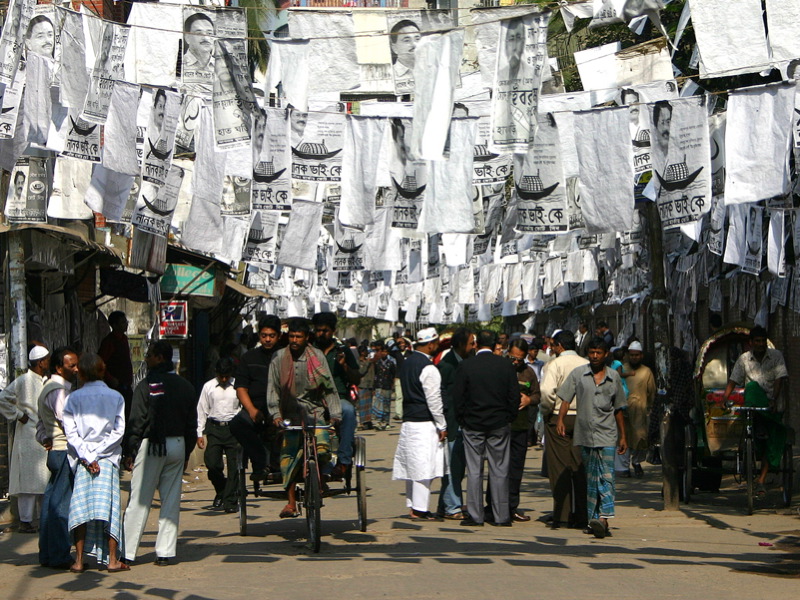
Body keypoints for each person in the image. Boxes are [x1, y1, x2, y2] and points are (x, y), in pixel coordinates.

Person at [122, 341, 197, 566]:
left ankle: (127, 552)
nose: (146, 359)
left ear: (160, 358)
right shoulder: (186, 386)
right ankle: (165, 553)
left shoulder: (146, 386)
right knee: (171, 499)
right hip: (178, 444)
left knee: (140, 500)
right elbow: (191, 424)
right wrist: (185, 453)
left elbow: (137, 421)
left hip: (152, 445)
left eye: (150, 356)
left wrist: (130, 450)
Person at [266, 319, 340, 520]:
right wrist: (276, 415)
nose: (294, 340)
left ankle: (320, 478)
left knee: (323, 450)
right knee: (286, 459)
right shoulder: (279, 358)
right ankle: (291, 503)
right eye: (291, 336)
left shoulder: (316, 357)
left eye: (298, 337)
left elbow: (329, 387)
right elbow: (272, 389)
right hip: (290, 416)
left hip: (315, 412)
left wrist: (334, 414)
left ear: (307, 338)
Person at [556, 337, 627, 539]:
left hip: (607, 435)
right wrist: (560, 419)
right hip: (585, 434)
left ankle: (604, 517)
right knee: (591, 477)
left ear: (606, 355)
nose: (595, 356)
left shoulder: (614, 377)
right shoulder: (578, 374)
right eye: (592, 352)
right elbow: (565, 398)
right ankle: (593, 520)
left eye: (599, 353)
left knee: (606, 476)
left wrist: (623, 437)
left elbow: (619, 409)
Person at [63, 353, 127, 573]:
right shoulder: (116, 397)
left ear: (80, 373)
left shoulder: (73, 398)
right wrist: (99, 454)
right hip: (107, 460)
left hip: (83, 461)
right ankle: (112, 560)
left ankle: (79, 560)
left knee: (81, 510)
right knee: (109, 509)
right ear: (102, 370)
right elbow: (119, 431)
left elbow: (70, 433)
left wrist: (87, 456)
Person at [453, 330, 519, 527]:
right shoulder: (505, 365)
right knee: (500, 470)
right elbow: (513, 395)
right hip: (499, 423)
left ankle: (475, 515)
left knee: (474, 470)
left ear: (476, 344)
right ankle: (501, 516)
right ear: (494, 344)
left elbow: (458, 397)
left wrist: (462, 420)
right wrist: (509, 418)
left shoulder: (466, 366)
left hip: (473, 424)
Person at [722, 326, 789, 496]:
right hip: (752, 406)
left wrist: (773, 399)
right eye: (757, 341)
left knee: (771, 444)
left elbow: (780, 379)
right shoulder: (744, 359)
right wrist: (725, 398)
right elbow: (733, 380)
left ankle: (761, 480)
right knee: (751, 387)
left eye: (763, 341)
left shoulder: (776, 356)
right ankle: (757, 429)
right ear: (751, 343)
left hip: (771, 405)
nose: (760, 344)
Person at [392, 328, 447, 520]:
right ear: (431, 344)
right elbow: (434, 400)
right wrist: (442, 424)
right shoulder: (428, 368)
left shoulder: (407, 363)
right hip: (424, 423)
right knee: (424, 468)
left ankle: (414, 505)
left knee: (413, 467)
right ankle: (420, 508)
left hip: (409, 422)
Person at [484, 338, 540, 522]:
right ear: (507, 352)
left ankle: (511, 506)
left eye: (520, 360)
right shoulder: (498, 368)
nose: (516, 363)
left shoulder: (529, 373)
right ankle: (491, 506)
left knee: (515, 469)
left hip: (520, 428)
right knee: (497, 467)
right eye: (513, 358)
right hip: (499, 427)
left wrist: (529, 400)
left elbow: (538, 395)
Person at [539, 330, 589, 529]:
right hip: (583, 417)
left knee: (560, 466)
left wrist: (547, 411)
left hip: (559, 416)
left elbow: (546, 391)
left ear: (559, 345)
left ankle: (563, 515)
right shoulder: (586, 363)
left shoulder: (555, 364)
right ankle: (583, 513)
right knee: (580, 466)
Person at [36, 347, 79, 569]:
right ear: (58, 367)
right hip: (63, 450)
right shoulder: (59, 390)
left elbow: (40, 424)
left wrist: (45, 438)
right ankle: (60, 554)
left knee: (51, 503)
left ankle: (48, 553)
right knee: (61, 504)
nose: (76, 369)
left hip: (56, 449)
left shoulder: (47, 387)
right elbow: (67, 422)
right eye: (71, 366)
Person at [0, 344, 51, 533]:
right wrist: (18, 414)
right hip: (28, 434)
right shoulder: (23, 381)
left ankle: (43, 519)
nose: (49, 362)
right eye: (46, 359)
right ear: (40, 362)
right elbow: (3, 398)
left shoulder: (47, 381)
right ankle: (26, 521)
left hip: (43, 433)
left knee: (44, 479)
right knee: (28, 484)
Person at [230, 316, 281, 483]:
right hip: (257, 408)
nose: (267, 339)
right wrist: (251, 410)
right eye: (264, 335)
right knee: (237, 423)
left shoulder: (286, 357)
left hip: (282, 410)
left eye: (272, 336)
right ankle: (260, 461)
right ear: (259, 335)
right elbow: (241, 388)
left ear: (278, 336)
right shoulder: (249, 358)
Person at [312, 312, 360, 480]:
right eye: (318, 330)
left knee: (348, 411)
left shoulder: (343, 351)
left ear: (333, 331)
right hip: (313, 399)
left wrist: (344, 366)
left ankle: (344, 461)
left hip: (337, 398)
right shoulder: (309, 349)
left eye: (325, 331)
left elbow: (356, 378)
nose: (321, 334)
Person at [436, 327, 475, 520]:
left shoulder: (468, 361)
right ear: (460, 345)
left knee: (458, 466)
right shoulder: (446, 366)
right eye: (471, 343)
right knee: (452, 467)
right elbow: (441, 396)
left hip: (464, 421)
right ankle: (452, 507)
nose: (473, 346)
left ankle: (446, 505)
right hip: (451, 423)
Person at [197, 357, 240, 513]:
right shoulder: (208, 387)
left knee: (235, 467)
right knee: (212, 463)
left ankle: (230, 501)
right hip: (214, 429)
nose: (223, 379)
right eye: (221, 376)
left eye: (226, 376)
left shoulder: (238, 386)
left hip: (233, 429)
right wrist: (199, 433)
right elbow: (202, 409)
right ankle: (222, 490)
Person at [621, 341, 655, 478]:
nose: (634, 357)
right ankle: (624, 468)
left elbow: (652, 391)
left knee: (640, 438)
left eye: (637, 355)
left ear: (641, 356)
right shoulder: (622, 369)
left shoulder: (646, 372)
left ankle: (636, 462)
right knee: (624, 438)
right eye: (632, 355)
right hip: (623, 410)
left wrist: (652, 408)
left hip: (640, 411)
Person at [98, 311, 134, 422]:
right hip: (115, 387)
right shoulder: (109, 342)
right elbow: (100, 362)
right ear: (114, 325)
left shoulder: (124, 339)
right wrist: (110, 378)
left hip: (126, 385)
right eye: (123, 322)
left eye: (125, 322)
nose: (126, 324)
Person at [371, 340, 396, 431]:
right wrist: (374, 387)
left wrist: (392, 385)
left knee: (386, 404)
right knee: (378, 404)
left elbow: (393, 374)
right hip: (379, 385)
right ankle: (378, 421)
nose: (384, 353)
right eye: (382, 351)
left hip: (387, 386)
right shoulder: (377, 363)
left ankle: (386, 421)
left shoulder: (391, 363)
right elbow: (375, 374)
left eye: (386, 352)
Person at [389, 19, 420, 93]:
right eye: (407, 40)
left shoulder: (432, 70)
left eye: (417, 39)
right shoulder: (390, 75)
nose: (414, 44)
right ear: (394, 48)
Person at [356, 346, 375, 430]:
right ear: (362, 353)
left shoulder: (369, 362)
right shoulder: (358, 362)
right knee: (362, 406)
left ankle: (368, 421)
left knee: (369, 406)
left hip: (369, 385)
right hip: (362, 385)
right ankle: (362, 423)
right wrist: (367, 363)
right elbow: (361, 372)